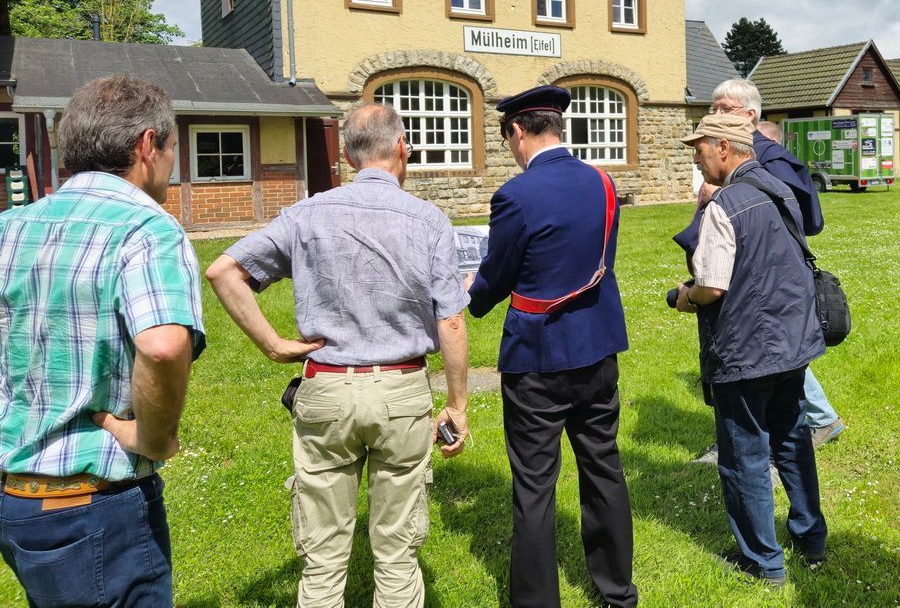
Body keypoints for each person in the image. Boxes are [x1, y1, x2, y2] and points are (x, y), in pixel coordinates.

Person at [206, 103, 468, 608]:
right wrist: (457, 403)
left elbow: (223, 271)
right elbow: (451, 320)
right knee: (397, 551)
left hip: (325, 387)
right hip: (400, 391)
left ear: (348, 156)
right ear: (402, 149)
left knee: (323, 556)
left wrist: (274, 344)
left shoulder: (306, 214)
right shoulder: (429, 220)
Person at [0, 75, 206, 606]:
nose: (171, 163)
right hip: (92, 502)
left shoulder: (11, 226)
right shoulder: (147, 229)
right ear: (146, 145)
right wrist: (153, 438)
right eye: (171, 148)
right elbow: (162, 346)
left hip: (15, 498)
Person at [466, 85, 637, 608]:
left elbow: (496, 276)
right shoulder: (603, 183)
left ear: (518, 130)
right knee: (603, 466)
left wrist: (472, 295)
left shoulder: (516, 196)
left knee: (535, 487)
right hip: (597, 346)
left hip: (538, 356)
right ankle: (616, 591)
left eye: (507, 139)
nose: (511, 151)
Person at [671, 113, 827, 585]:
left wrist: (683, 296)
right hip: (790, 340)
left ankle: (764, 562)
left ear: (724, 146)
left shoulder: (726, 204)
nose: (695, 158)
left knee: (744, 458)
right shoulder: (779, 187)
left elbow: (713, 288)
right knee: (793, 440)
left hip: (745, 350)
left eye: (699, 148)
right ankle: (811, 540)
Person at [676, 78, 844, 455]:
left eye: (724, 109)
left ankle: (784, 437)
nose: (713, 115)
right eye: (713, 107)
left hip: (767, 284)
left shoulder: (768, 157)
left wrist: (721, 200)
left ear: (750, 115)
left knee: (771, 361)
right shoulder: (737, 159)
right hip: (749, 280)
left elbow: (797, 217)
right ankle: (805, 425)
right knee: (776, 359)